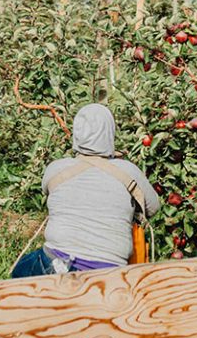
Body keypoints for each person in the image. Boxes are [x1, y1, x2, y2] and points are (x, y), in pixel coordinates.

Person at [11, 102, 160, 277]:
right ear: (110, 133)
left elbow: (48, 192)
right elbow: (153, 207)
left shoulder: (56, 168)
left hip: (55, 263)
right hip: (110, 271)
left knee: (20, 272)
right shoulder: (128, 171)